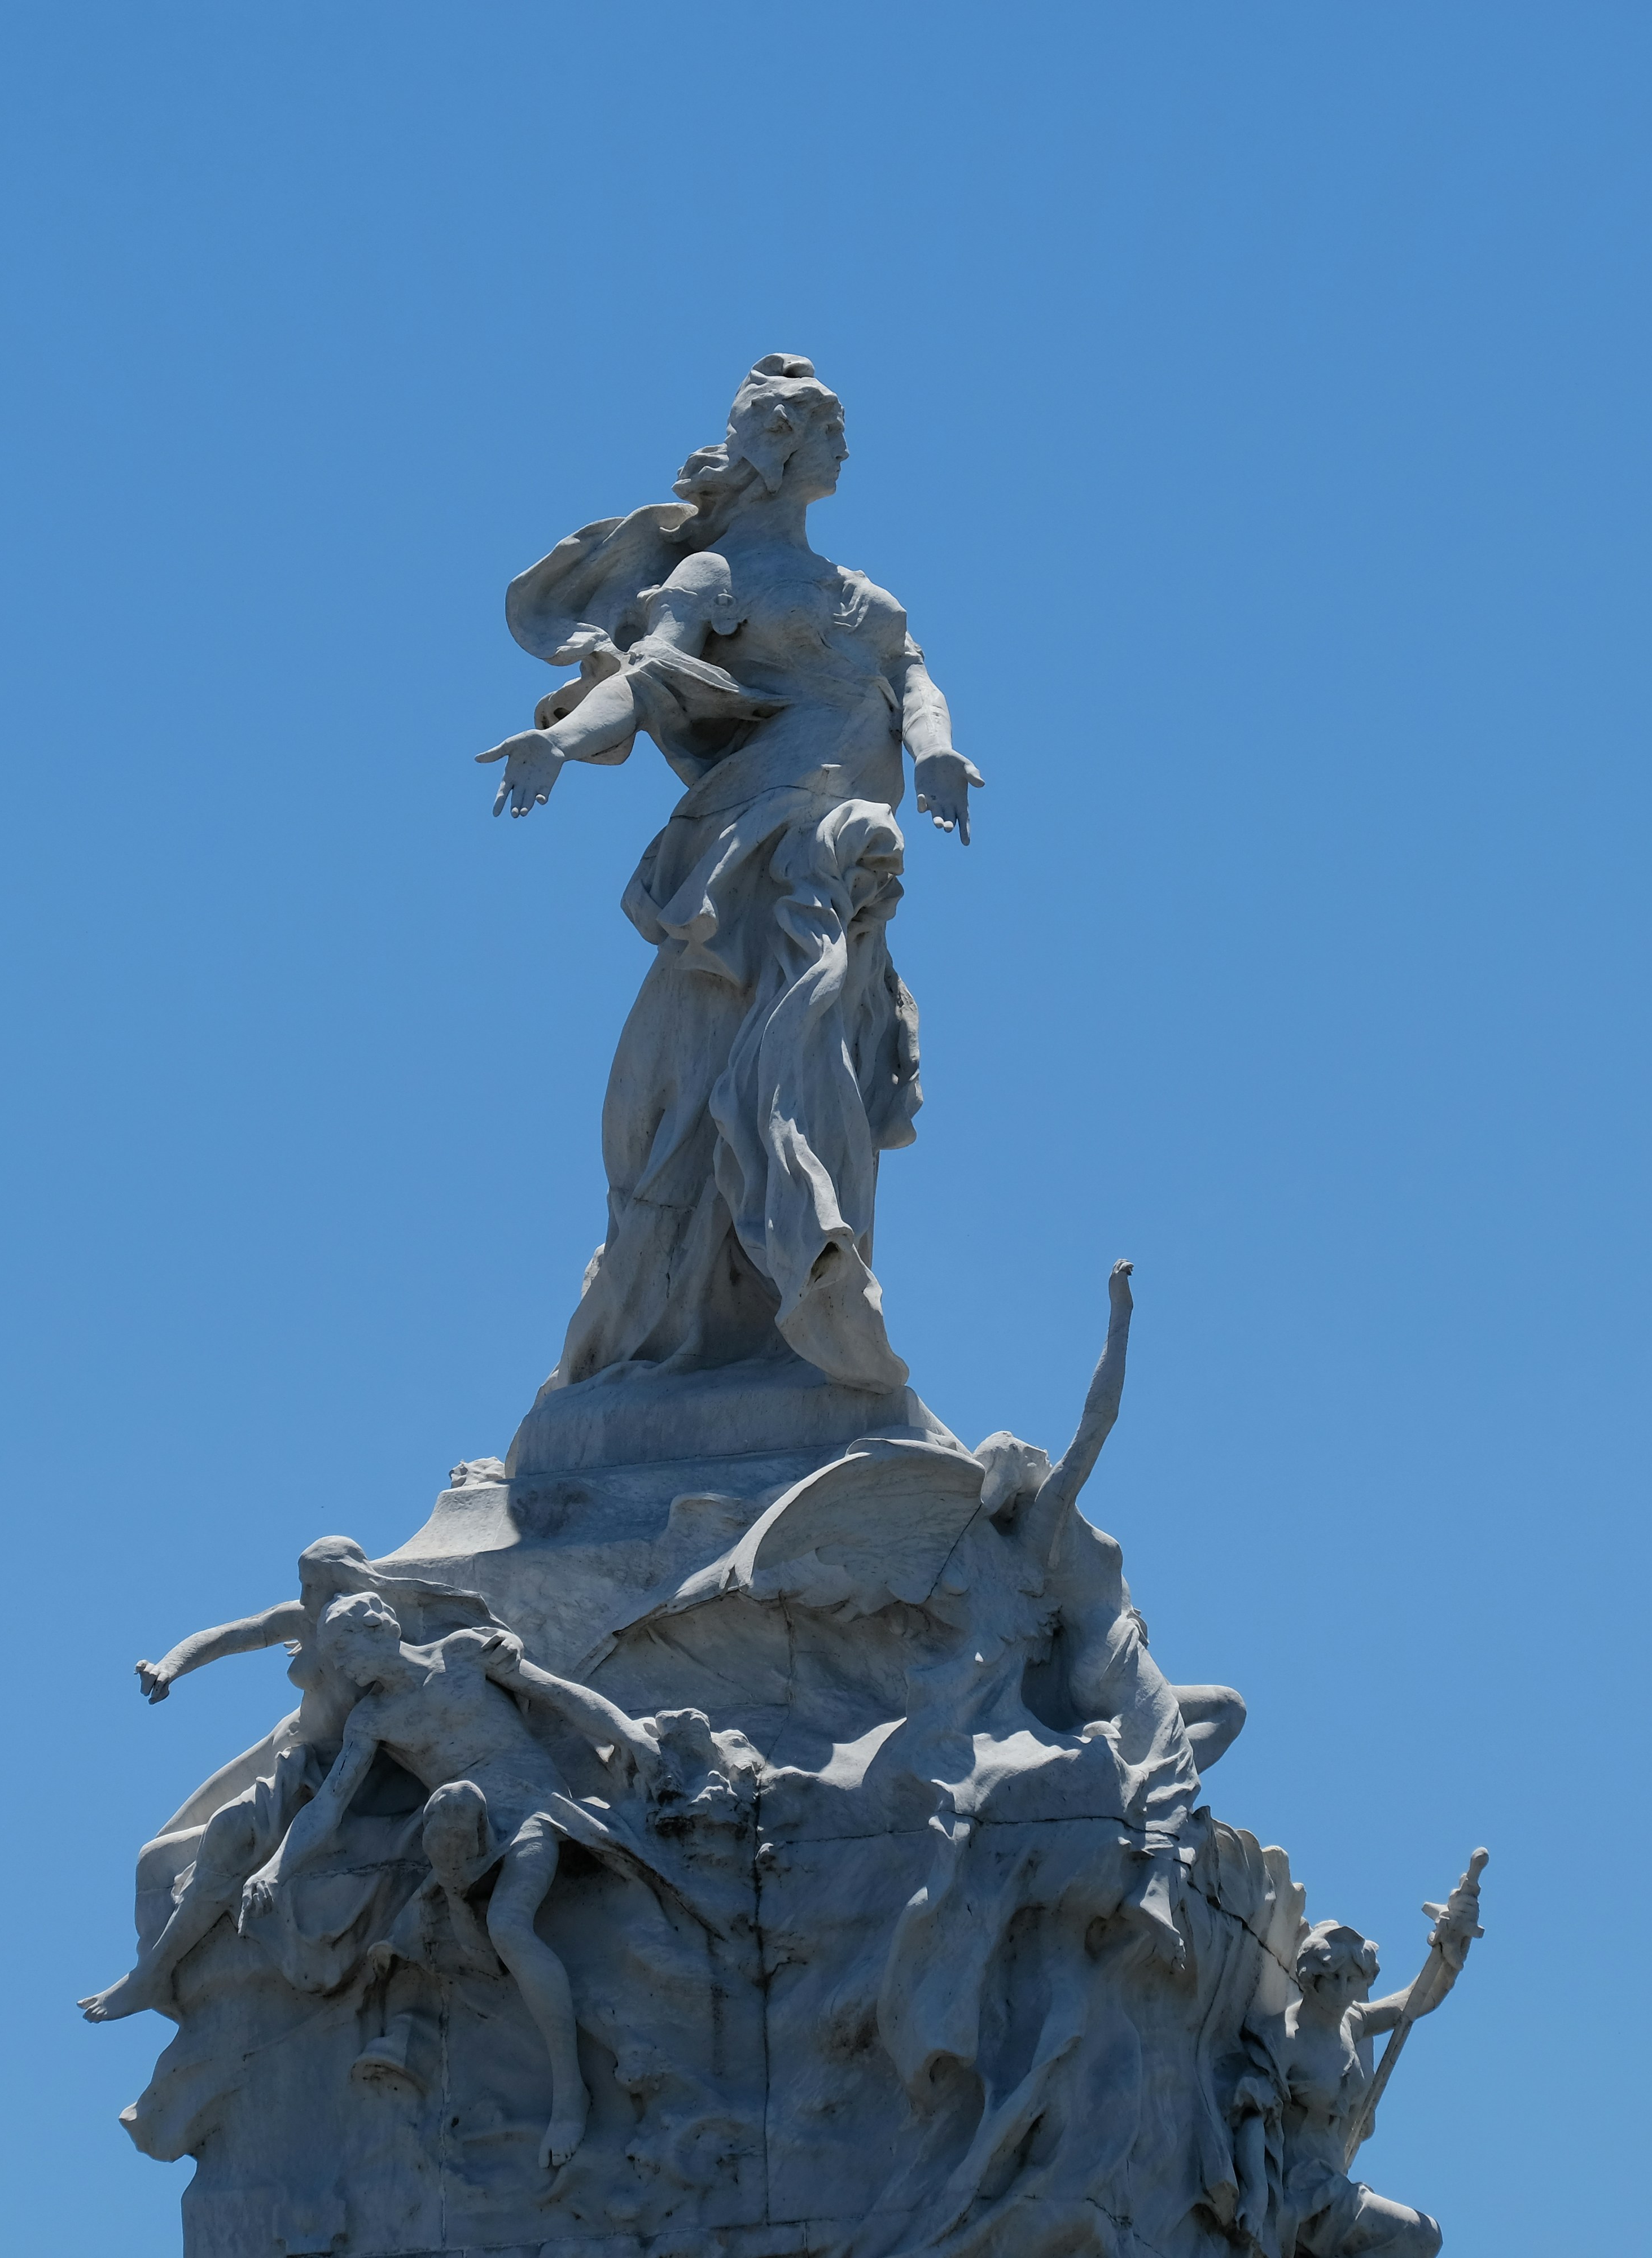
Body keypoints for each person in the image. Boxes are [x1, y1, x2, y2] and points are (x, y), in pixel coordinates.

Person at [477, 354, 987, 1401]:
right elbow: (648, 678)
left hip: (835, 868)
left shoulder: (866, 597)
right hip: (747, 855)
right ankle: (670, 1326)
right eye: (828, 429)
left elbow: (914, 683)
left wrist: (936, 750)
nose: (846, 446)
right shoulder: (714, 578)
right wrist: (560, 743)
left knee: (821, 1084)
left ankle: (812, 1314)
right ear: (777, 447)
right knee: (700, 1094)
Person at [84, 1592, 680, 2174]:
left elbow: (561, 1696)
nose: (344, 1669)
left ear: (380, 1631)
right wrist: (275, 1868)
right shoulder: (372, 1719)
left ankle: (570, 2094)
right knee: (454, 1813)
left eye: (346, 1652)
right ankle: (460, 1936)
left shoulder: (464, 1653)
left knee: (510, 1925)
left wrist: (631, 1738)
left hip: (531, 1809)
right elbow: (329, 1805)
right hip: (464, 1832)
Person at [974, 1262, 1248, 1965]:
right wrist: (1120, 1316)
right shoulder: (1049, 1512)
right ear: (1018, 1471)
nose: (1036, 1448)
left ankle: (1126, 1782)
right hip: (1112, 1656)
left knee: (1227, 1710)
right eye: (1022, 1448)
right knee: (1176, 1762)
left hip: (1107, 1660)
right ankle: (1153, 1884)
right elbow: (1099, 1420)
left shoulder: (1044, 1527)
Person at [119, 1538, 501, 1960]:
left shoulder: (383, 1626)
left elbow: (459, 1659)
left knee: (193, 1848)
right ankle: (154, 1966)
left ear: (343, 1580)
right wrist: (170, 1667)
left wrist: (505, 1647)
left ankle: (160, 1969)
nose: (303, 1596)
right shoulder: (303, 1618)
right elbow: (232, 1635)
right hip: (285, 1744)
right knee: (158, 1853)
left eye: (311, 1585)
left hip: (325, 1770)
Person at [1233, 1855, 1487, 2258]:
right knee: (1422, 2236)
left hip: (1334, 2189)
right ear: (1310, 1977)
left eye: (1353, 1979)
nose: (1343, 1989)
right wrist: (1253, 2194)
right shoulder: (1281, 2038)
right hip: (1297, 2192)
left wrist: (1450, 1949)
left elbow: (1416, 2002)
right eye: (1333, 1978)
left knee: (1425, 2235)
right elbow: (1251, 2122)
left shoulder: (1351, 2022)